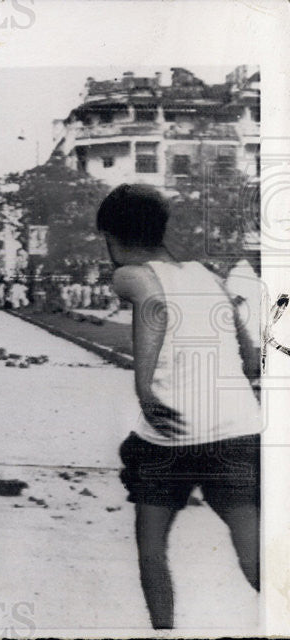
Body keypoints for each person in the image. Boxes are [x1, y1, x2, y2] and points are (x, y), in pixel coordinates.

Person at [97, 184, 261, 630]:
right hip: (235, 429)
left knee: (151, 549)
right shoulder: (207, 274)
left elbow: (152, 302)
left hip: (170, 436)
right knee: (253, 552)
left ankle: (164, 630)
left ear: (110, 237)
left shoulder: (129, 274)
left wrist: (145, 389)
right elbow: (250, 359)